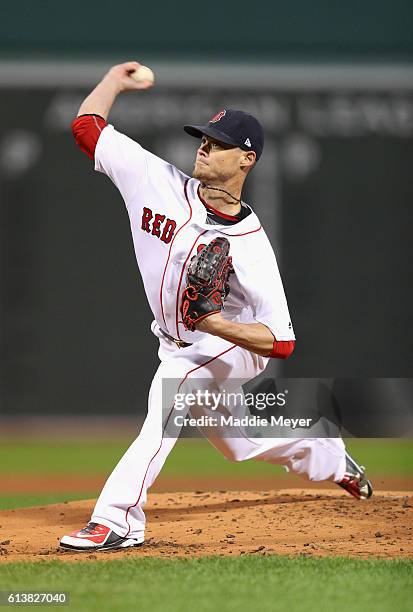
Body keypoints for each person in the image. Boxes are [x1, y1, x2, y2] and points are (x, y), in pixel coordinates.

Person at [60, 62, 372, 552]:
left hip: (233, 344)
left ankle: (118, 520)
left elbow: (281, 341)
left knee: (171, 391)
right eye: (203, 138)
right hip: (180, 340)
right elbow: (86, 128)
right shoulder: (154, 181)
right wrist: (114, 82)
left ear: (246, 159)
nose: (203, 146)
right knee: (237, 445)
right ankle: (327, 453)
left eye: (218, 141)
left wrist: (215, 323)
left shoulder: (251, 246)